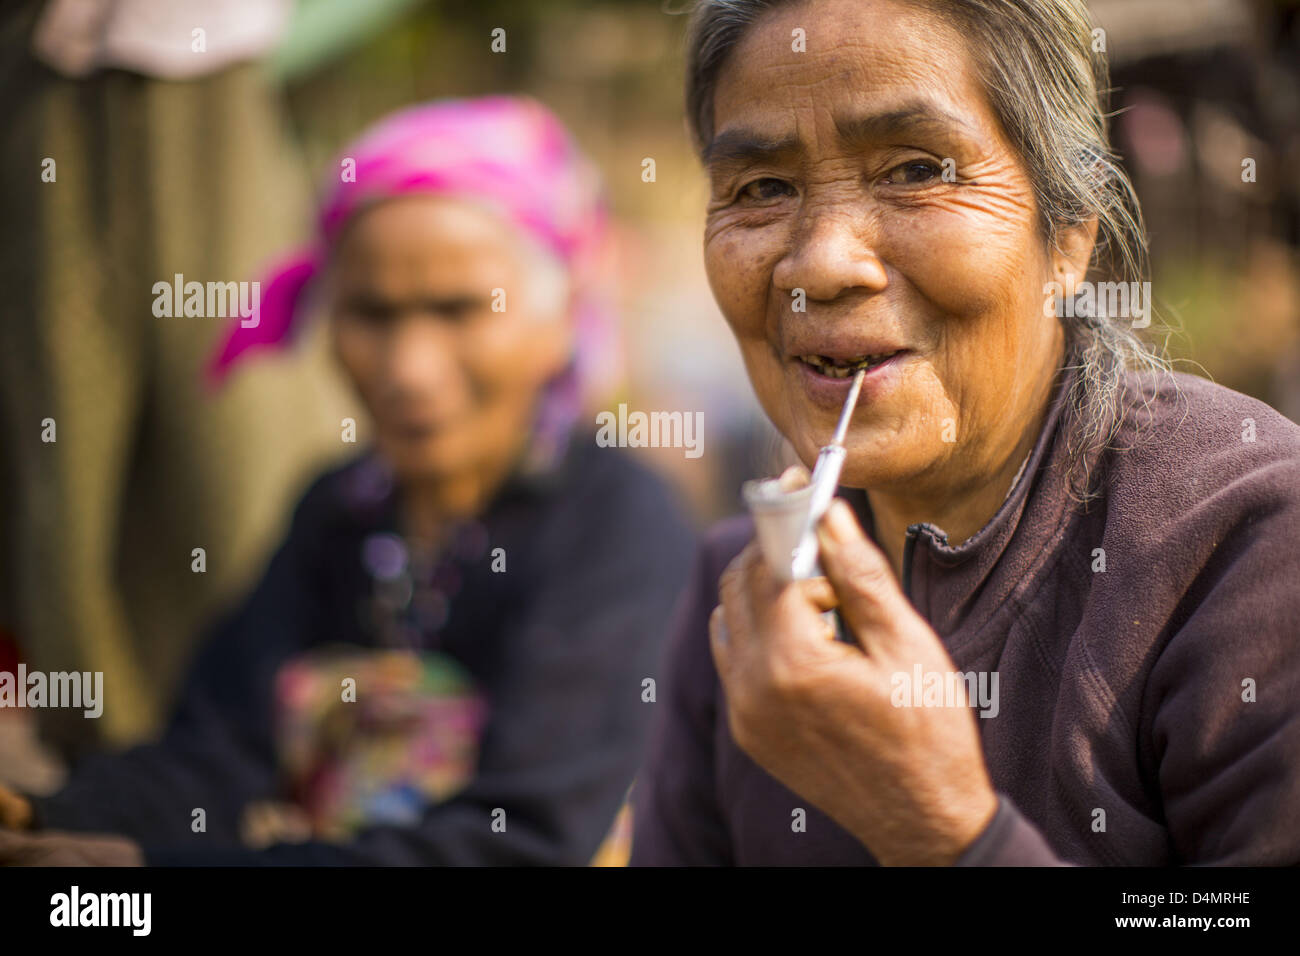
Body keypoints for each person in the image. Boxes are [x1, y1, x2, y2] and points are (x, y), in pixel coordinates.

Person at [630, 0, 1300, 866]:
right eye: (762, 189)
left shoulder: (1248, 543)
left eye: (914, 170)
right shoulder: (744, 598)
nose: (824, 263)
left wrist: (948, 836)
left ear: (1069, 235)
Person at [0, 95, 696, 865]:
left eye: (458, 309)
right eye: (371, 313)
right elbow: (217, 751)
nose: (408, 369)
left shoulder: (615, 525)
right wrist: (46, 815)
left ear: (558, 317)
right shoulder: (339, 510)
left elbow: (522, 844)